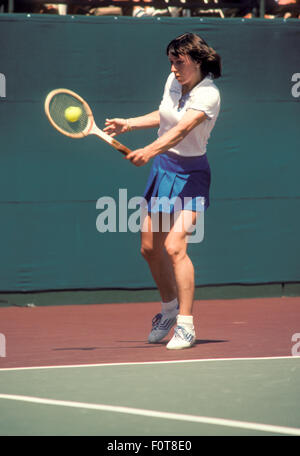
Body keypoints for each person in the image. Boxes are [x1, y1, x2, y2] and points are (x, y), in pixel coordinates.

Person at [104, 33, 221, 350]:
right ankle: (168, 310)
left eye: (178, 62)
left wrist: (149, 151)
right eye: (170, 62)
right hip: (164, 170)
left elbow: (183, 129)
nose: (173, 69)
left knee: (174, 245)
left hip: (192, 174)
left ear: (197, 60)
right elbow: (166, 117)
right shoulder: (173, 83)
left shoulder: (209, 94)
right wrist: (128, 123)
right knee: (148, 248)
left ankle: (186, 325)